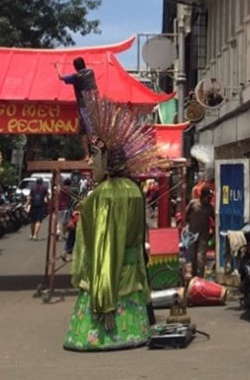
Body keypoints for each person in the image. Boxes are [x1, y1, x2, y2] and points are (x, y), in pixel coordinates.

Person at [64, 98, 159, 351]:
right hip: (133, 275)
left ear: (108, 160)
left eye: (93, 157)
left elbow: (106, 249)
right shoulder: (134, 190)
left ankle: (105, 327)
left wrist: (104, 302)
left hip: (109, 279)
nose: (89, 163)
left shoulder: (106, 194)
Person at [55, 57, 98, 159]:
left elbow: (61, 77)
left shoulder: (75, 76)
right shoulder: (91, 72)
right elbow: (89, 68)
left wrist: (57, 67)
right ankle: (90, 155)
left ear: (75, 67)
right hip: (95, 105)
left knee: (88, 130)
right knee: (85, 130)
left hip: (84, 106)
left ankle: (90, 155)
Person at [185, 187, 215, 278]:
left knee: (200, 258)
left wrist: (212, 231)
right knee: (192, 257)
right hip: (192, 235)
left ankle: (200, 278)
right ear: (202, 196)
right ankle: (193, 278)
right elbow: (186, 215)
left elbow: (214, 220)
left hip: (203, 236)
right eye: (208, 197)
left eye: (210, 198)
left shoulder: (210, 208)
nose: (209, 199)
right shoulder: (193, 204)